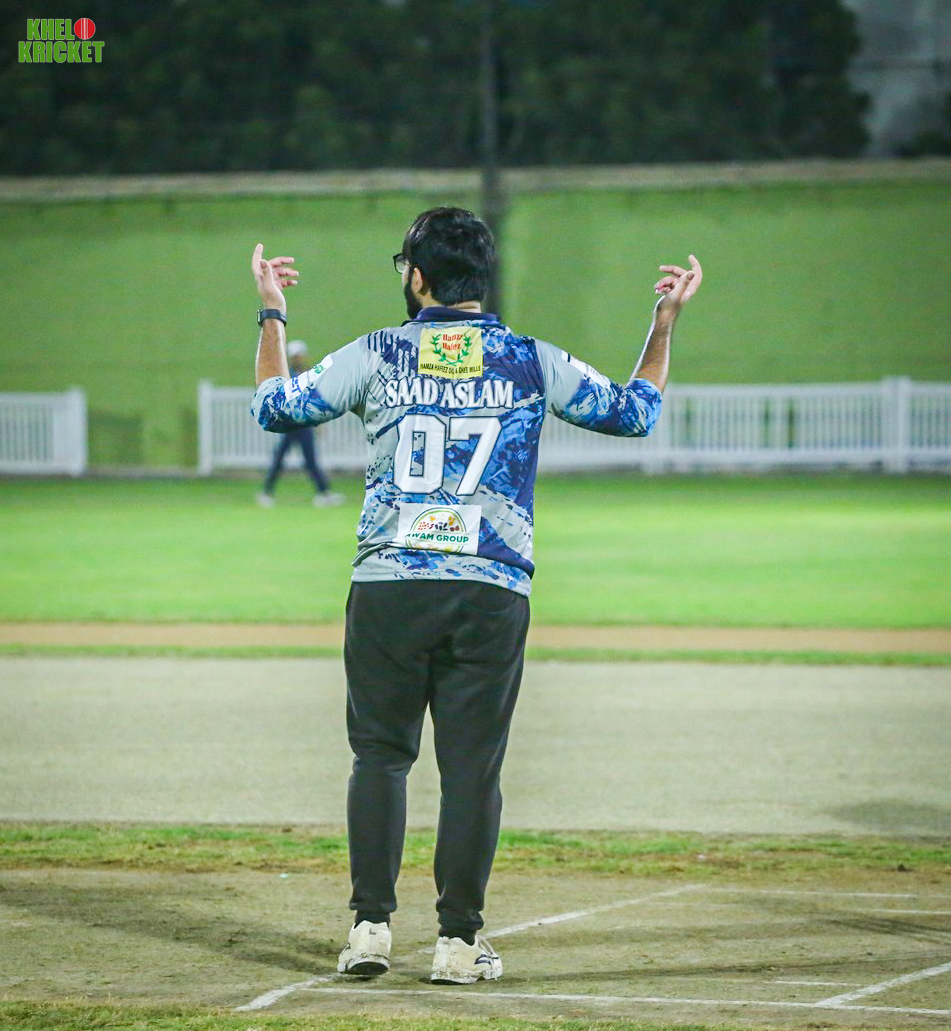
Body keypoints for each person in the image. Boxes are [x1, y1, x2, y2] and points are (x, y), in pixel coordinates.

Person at [249, 208, 702, 985]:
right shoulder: (528, 358)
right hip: (488, 587)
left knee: (379, 758)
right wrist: (663, 322)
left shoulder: (378, 352)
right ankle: (457, 943)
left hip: (390, 586)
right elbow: (635, 411)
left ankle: (369, 929)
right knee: (470, 773)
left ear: (418, 276)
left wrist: (271, 312)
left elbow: (274, 407)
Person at [256, 339, 344, 508]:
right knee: (281, 458)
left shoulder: (307, 374)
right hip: (291, 424)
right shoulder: (286, 375)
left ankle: (323, 493)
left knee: (309, 460)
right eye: (296, 356)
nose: (298, 358)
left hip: (303, 424)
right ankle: (267, 492)